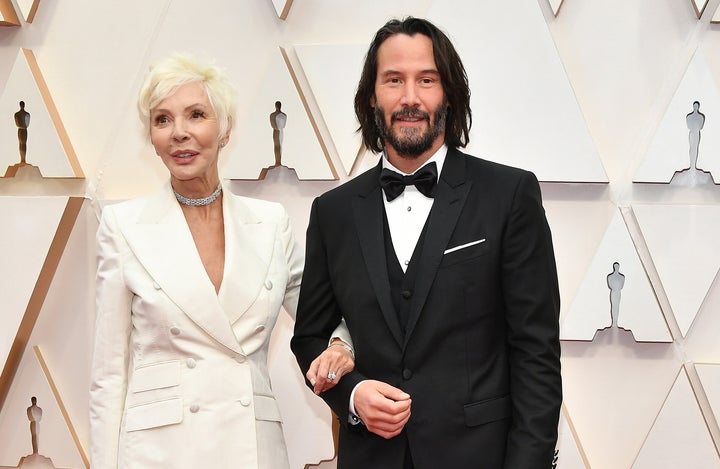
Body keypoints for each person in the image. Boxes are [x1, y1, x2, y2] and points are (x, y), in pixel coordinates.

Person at [292, 17, 561, 469]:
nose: (410, 97)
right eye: (393, 80)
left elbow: (536, 351)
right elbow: (309, 338)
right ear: (372, 97)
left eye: (427, 80)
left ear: (449, 95)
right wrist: (353, 394)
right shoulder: (332, 212)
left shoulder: (509, 195)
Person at [89, 54, 354, 469]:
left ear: (225, 129)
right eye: (163, 120)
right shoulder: (123, 226)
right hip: (158, 453)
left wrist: (341, 344)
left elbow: (318, 316)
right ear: (152, 137)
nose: (180, 133)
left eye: (196, 115)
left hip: (250, 444)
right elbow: (108, 374)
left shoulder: (270, 224)